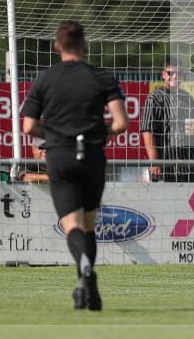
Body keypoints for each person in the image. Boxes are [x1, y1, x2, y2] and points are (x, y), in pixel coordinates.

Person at [21, 20, 129, 311]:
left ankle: (84, 273)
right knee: (90, 225)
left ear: (57, 46)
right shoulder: (103, 77)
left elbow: (29, 126)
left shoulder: (45, 78)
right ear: (84, 45)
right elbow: (121, 123)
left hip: (61, 156)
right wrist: (97, 132)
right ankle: (87, 280)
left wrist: (55, 135)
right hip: (92, 155)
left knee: (73, 226)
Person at [140, 59, 194, 182]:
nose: (175, 76)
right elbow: (147, 130)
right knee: (166, 201)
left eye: (179, 73)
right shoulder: (154, 98)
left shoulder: (187, 97)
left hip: (190, 165)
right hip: (166, 166)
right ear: (164, 75)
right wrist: (155, 161)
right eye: (170, 73)